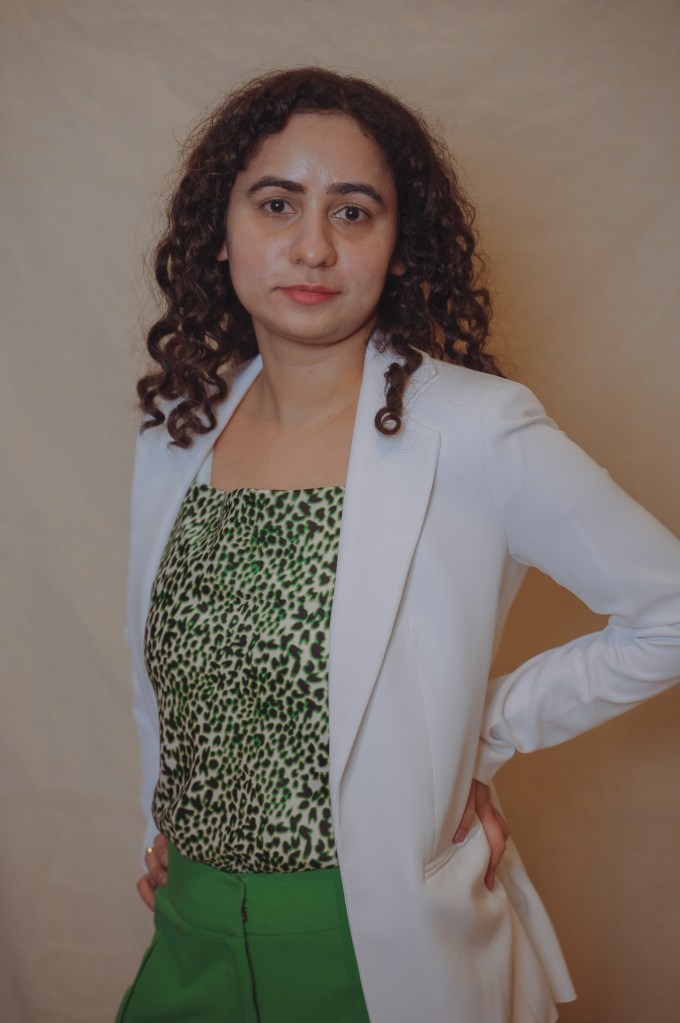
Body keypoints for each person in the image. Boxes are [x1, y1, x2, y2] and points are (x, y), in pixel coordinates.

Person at [117, 67, 680, 1023]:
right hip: (191, 928)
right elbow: (162, 679)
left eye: (353, 212)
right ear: (221, 229)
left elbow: (667, 609)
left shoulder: (476, 430)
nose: (312, 246)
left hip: (370, 950)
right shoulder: (180, 427)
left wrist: (475, 739)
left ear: (398, 245)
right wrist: (162, 820)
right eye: (277, 204)